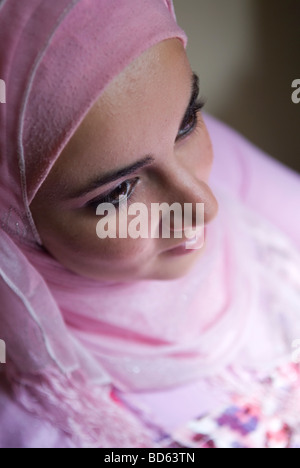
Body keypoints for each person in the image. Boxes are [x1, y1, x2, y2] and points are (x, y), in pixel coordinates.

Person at [0, 0, 299, 449]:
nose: (204, 206)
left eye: (186, 123)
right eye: (117, 193)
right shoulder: (37, 421)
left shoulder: (226, 165)